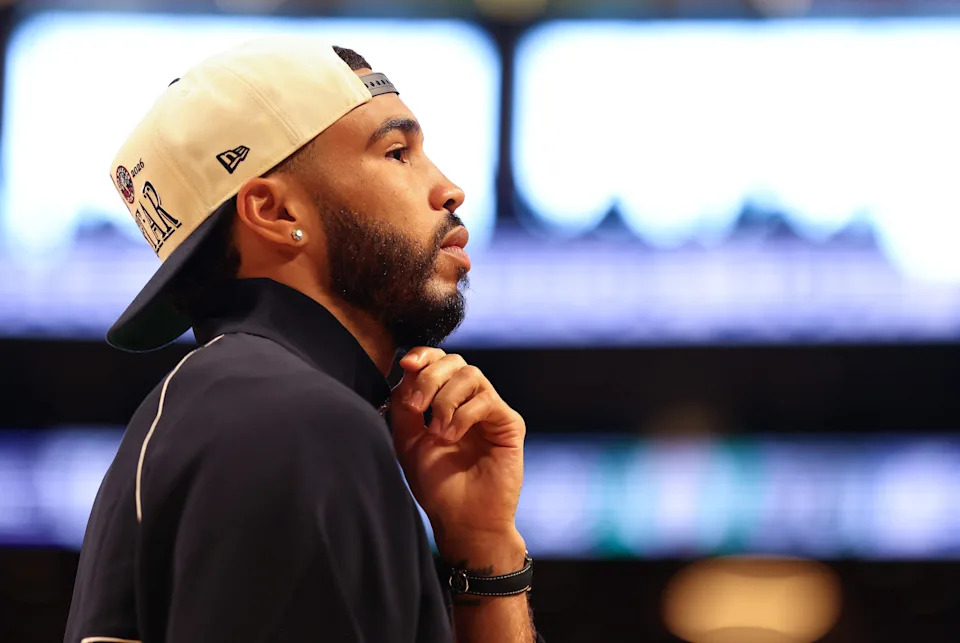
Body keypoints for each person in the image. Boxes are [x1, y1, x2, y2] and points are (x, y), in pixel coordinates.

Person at [64, 38, 541, 643]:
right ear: (271, 209)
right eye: (397, 153)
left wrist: (483, 547)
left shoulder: (232, 401)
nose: (449, 189)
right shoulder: (292, 419)